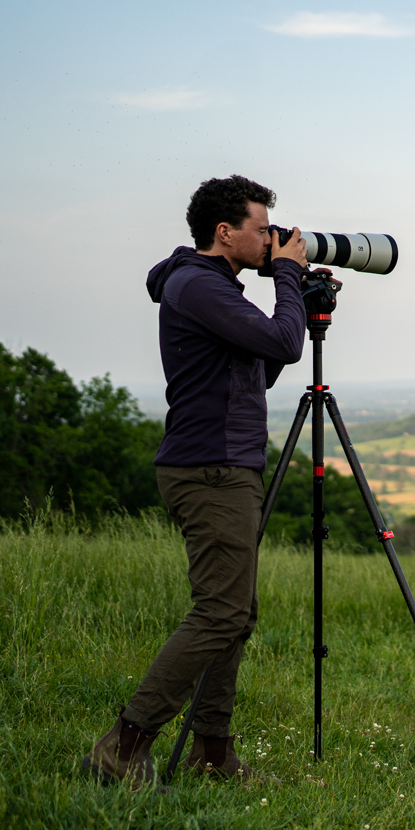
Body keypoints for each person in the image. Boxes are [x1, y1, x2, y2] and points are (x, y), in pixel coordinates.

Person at [83, 175, 309, 789]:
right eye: (262, 229)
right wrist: (289, 281)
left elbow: (257, 374)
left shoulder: (212, 290)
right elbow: (285, 344)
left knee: (234, 613)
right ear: (224, 231)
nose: (271, 240)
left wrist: (306, 302)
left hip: (223, 464)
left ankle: (212, 756)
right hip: (210, 469)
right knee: (220, 612)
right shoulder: (198, 286)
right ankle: (122, 747)